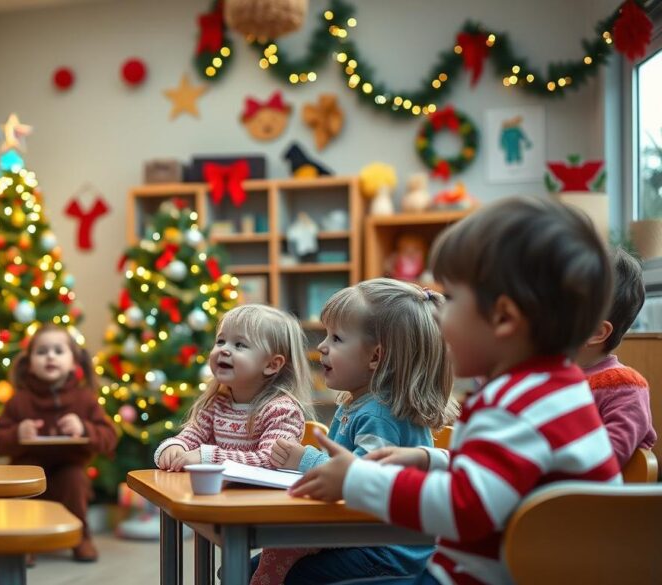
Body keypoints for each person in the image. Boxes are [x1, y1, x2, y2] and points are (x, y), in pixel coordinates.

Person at [288, 197, 621, 585]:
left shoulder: (515, 405)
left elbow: (466, 505)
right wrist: (429, 459)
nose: (440, 315)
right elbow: (505, 473)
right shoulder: (552, 391)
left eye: (452, 299)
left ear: (503, 318)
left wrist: (358, 480)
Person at [255, 279, 458, 584]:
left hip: (388, 550)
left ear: (376, 357)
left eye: (336, 338)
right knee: (260, 563)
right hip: (368, 537)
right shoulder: (360, 404)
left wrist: (305, 459)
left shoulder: (380, 414)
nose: (322, 346)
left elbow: (360, 478)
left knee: (295, 574)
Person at [0, 325, 118, 563]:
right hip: (29, 469)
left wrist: (84, 428)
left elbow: (109, 438)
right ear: (29, 363)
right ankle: (24, 542)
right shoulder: (19, 401)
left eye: (58, 351)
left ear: (73, 362)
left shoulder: (84, 400)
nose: (50, 356)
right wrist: (18, 432)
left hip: (68, 468)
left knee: (74, 479)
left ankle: (80, 536)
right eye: (42, 352)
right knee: (24, 482)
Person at [154, 304, 314, 471]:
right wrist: (174, 448)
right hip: (220, 495)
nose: (224, 350)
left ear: (272, 364)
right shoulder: (217, 404)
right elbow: (190, 437)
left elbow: (271, 460)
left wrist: (207, 457)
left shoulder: (283, 411)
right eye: (221, 341)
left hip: (262, 497)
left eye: (239, 345)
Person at [575, 247, 656, 466]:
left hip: (593, 495)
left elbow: (612, 453)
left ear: (596, 333)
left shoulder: (624, 386)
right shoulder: (549, 375)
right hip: (552, 491)